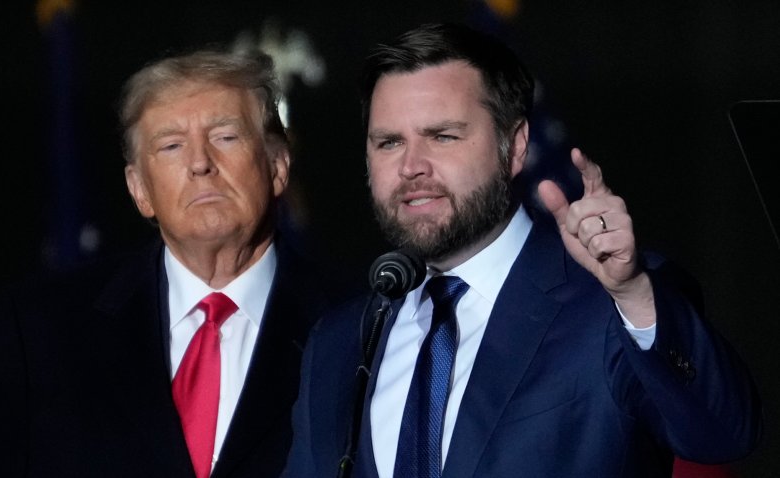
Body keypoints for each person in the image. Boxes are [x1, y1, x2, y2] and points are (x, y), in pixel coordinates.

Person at [284, 22, 762, 478]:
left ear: (514, 148)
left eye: (443, 136)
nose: (411, 166)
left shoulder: (611, 303)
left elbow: (722, 434)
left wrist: (633, 294)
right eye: (389, 142)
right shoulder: (338, 341)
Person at [0, 47, 347, 477]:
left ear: (278, 165)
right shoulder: (41, 328)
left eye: (225, 136)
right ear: (139, 190)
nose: (200, 163)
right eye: (171, 145)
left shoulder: (359, 325)